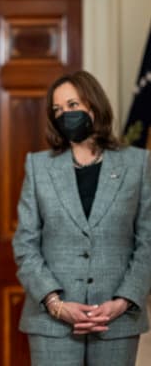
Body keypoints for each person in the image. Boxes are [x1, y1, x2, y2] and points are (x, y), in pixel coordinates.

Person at [12, 70, 151, 365]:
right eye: (58, 110)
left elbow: (148, 241)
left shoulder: (138, 164)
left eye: (73, 105)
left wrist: (122, 302)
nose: (65, 114)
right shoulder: (38, 167)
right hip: (52, 323)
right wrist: (56, 304)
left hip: (117, 321)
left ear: (93, 105)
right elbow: (25, 244)